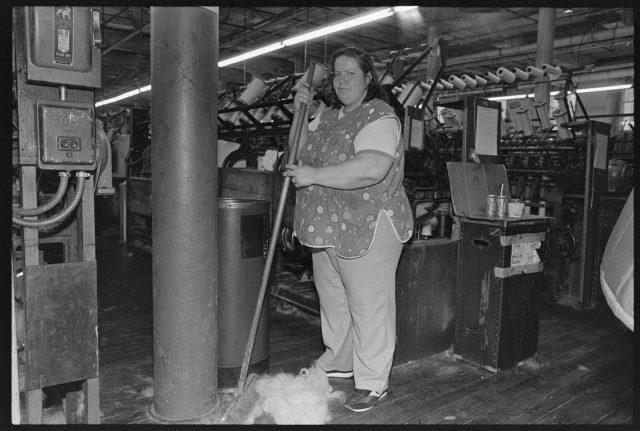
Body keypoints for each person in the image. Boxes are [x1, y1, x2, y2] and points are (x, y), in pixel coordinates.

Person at [283, 46, 414, 413]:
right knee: (334, 300)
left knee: (369, 306)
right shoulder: (328, 116)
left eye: (350, 73)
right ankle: (339, 359)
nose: (341, 81)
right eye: (337, 74)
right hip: (328, 225)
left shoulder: (379, 116)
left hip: (368, 225)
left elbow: (371, 168)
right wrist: (300, 114)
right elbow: (299, 153)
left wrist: (315, 175)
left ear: (367, 77)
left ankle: (373, 381)